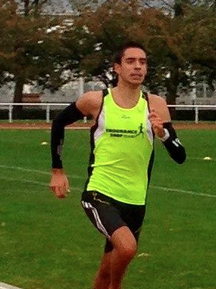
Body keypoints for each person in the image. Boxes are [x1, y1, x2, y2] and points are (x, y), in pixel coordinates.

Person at [49, 41, 186, 289]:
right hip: (100, 194)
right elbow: (58, 123)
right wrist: (57, 170)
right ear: (117, 68)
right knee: (127, 248)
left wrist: (163, 134)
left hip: (135, 201)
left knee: (104, 272)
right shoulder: (97, 101)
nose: (138, 67)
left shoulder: (155, 105)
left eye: (143, 62)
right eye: (131, 61)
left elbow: (180, 155)